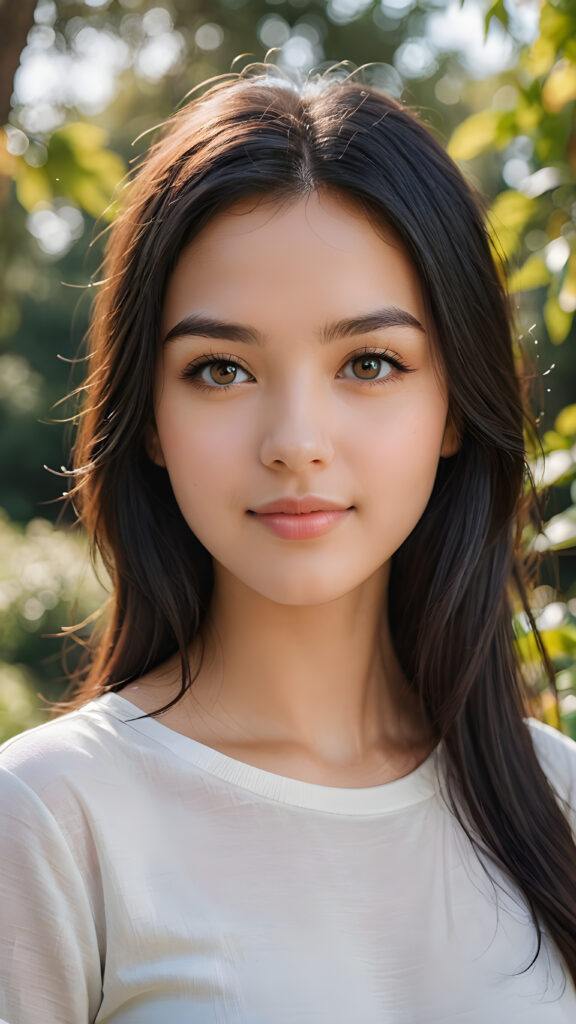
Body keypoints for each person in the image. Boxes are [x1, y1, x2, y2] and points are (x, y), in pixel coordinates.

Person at [1, 63, 576, 1024]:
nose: (295, 441)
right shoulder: (53, 822)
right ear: (148, 416)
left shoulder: (558, 801)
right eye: (220, 369)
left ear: (452, 407)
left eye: (369, 362)